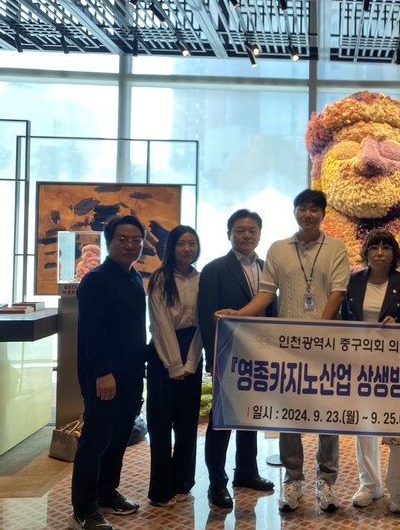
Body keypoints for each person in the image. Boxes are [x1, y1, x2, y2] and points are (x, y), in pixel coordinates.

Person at [219, 189, 350, 513]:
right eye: (302, 208)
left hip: (326, 346)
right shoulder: (279, 248)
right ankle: (293, 479)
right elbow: (266, 292)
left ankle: (326, 481)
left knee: (327, 413)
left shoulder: (336, 248)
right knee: (289, 413)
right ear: (295, 212)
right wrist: (240, 314)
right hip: (288, 348)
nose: (308, 214)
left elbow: (338, 292)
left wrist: (317, 333)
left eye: (314, 209)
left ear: (323, 214)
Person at [68, 215, 148, 530]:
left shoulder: (134, 277)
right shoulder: (95, 280)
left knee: (118, 439)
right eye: (122, 239)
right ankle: (83, 510)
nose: (130, 245)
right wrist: (103, 372)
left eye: (136, 240)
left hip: (130, 375)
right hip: (104, 377)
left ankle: (106, 492)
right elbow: (92, 331)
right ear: (109, 242)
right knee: (95, 441)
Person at [197, 209, 275, 510]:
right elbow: (207, 316)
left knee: (250, 415)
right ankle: (217, 483)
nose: (246, 235)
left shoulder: (267, 269)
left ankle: (246, 472)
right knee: (221, 421)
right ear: (228, 234)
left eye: (252, 230)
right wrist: (211, 357)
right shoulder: (215, 269)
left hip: (259, 355)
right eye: (240, 230)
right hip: (227, 356)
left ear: (260, 234)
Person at [342, 229, 400, 514]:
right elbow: (344, 321)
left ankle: (398, 490)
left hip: (396, 367)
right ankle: (369, 485)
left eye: (385, 247)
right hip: (361, 366)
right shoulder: (352, 282)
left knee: (397, 428)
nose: (379, 252)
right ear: (365, 252)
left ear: (394, 253)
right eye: (373, 247)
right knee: (364, 427)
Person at [146, 225, 203, 508]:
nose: (187, 249)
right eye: (181, 243)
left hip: (192, 351)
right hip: (162, 354)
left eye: (192, 243)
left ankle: (183, 481)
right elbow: (160, 324)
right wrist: (174, 365)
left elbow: (202, 325)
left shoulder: (201, 278)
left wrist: (191, 362)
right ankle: (160, 489)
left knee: (187, 423)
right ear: (171, 248)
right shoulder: (160, 278)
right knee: (160, 423)